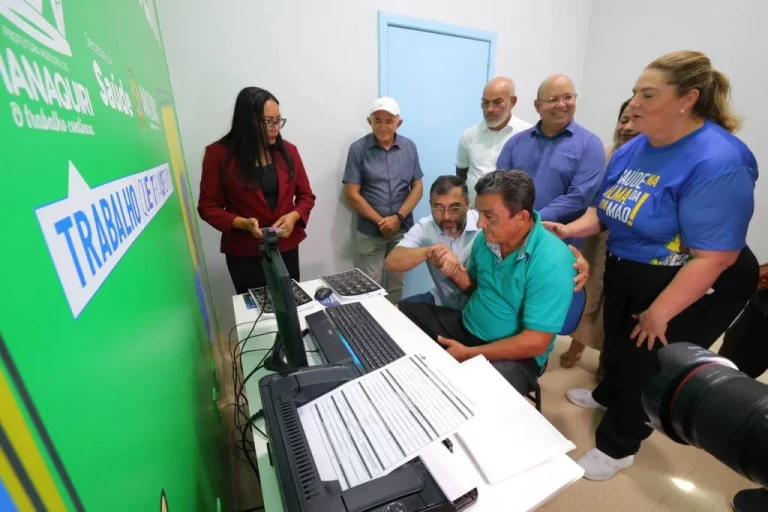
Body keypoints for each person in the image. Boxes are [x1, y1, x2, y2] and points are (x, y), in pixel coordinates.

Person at [544, 50, 759, 481]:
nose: (634, 104)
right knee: (619, 343)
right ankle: (609, 393)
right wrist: (569, 230)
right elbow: (605, 211)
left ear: (687, 98)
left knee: (650, 360)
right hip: (631, 263)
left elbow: (715, 256)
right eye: (634, 93)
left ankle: (618, 445)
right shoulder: (633, 150)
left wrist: (660, 311)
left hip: (695, 275)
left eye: (648, 94)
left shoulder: (719, 160)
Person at [398, 170, 577, 395]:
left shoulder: (552, 261)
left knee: (467, 394)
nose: (481, 223)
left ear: (521, 217)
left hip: (518, 356)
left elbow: (536, 342)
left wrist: (469, 354)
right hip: (468, 325)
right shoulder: (488, 239)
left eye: (489, 216)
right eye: (479, 213)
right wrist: (451, 270)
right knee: (402, 313)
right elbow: (474, 287)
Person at [198, 87, 316, 294]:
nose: (275, 128)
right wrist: (241, 223)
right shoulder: (218, 154)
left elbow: (306, 196)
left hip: (285, 246)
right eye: (268, 122)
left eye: (278, 120)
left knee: (290, 305)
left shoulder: (288, 151)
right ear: (247, 122)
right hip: (245, 251)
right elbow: (208, 207)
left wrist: (294, 216)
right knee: (255, 312)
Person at [560, 98, 638, 375]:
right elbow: (589, 200)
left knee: (614, 304)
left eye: (634, 120)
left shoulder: (652, 162)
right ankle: (577, 345)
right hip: (593, 236)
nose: (627, 127)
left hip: (629, 246)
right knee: (587, 291)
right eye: (623, 119)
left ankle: (606, 358)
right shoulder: (605, 153)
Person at [343, 97, 423, 303]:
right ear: (369, 122)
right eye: (377, 120)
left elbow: (417, 187)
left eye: (389, 121)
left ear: (399, 122)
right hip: (371, 231)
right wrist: (381, 221)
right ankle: (370, 330)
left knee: (397, 283)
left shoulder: (409, 147)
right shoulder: (358, 149)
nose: (383, 126)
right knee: (369, 286)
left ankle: (393, 325)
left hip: (402, 228)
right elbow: (352, 194)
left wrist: (398, 217)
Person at [496, 74, 605, 225]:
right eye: (553, 99)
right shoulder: (515, 143)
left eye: (568, 97)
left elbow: (579, 197)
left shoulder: (590, 145)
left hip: (559, 238)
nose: (561, 105)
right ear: (537, 106)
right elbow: (499, 187)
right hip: (512, 232)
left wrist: (533, 220)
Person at [456, 77, 533, 204]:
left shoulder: (528, 135)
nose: (490, 109)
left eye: (497, 102)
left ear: (512, 102)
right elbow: (461, 175)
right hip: (474, 213)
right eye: (485, 103)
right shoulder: (469, 135)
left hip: (512, 214)